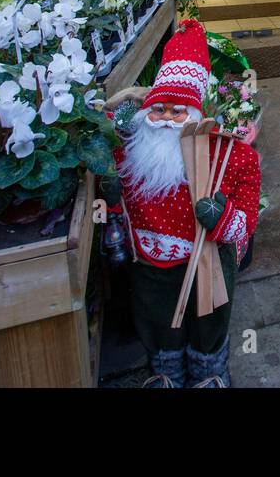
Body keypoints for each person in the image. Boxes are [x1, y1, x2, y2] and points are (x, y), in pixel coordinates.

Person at [104, 21, 261, 388]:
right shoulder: (129, 153)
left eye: (178, 113)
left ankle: (211, 373)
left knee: (209, 320)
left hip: (207, 261)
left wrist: (222, 217)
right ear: (146, 111)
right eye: (158, 111)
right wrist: (125, 98)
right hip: (151, 262)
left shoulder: (232, 157)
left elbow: (246, 216)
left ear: (195, 116)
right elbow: (98, 127)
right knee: (158, 319)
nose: (166, 121)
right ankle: (165, 373)